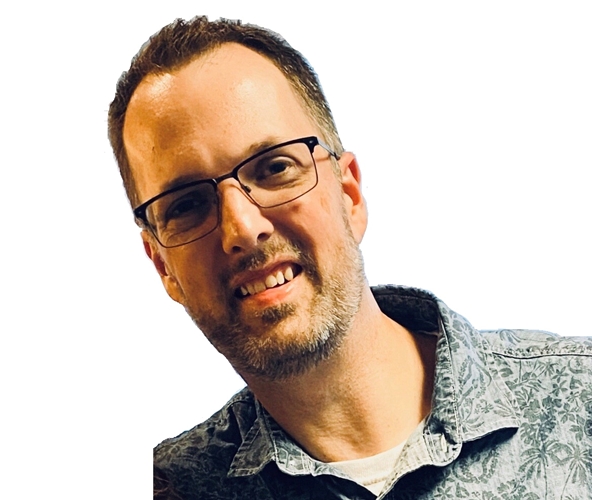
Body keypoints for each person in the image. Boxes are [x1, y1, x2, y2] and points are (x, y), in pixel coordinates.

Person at [108, 15, 592, 500]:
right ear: (162, 266)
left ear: (350, 194)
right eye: (187, 205)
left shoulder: (579, 398)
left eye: (275, 168)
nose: (244, 229)